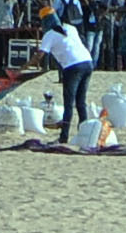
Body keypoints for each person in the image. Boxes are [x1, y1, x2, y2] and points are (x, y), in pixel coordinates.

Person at [39, 14, 94, 142]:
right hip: (87, 62)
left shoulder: (50, 35)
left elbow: (40, 55)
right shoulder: (71, 28)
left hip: (72, 67)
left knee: (68, 104)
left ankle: (64, 137)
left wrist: (24, 67)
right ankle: (84, 134)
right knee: (81, 102)